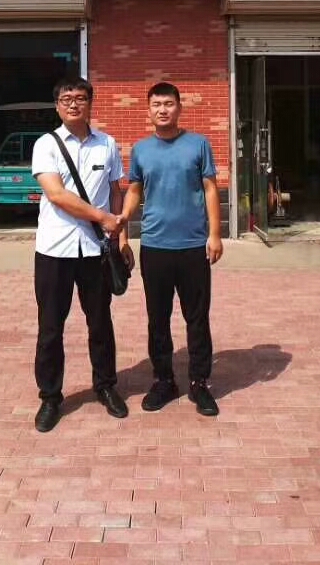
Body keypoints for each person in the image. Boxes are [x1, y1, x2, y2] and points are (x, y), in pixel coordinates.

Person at [30, 76, 135, 433]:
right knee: (50, 326)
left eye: (80, 98)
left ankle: (105, 386)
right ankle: (50, 397)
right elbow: (56, 195)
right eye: (66, 99)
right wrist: (103, 218)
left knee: (100, 322)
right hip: (54, 250)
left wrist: (121, 238)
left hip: (96, 251)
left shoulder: (107, 144)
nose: (73, 104)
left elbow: (116, 192)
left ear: (90, 103)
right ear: (57, 106)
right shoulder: (45, 145)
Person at [121, 81, 223, 417]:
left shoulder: (198, 144)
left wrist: (215, 234)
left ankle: (199, 383)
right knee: (158, 318)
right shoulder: (141, 150)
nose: (162, 110)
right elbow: (134, 191)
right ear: (148, 110)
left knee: (197, 317)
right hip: (155, 246)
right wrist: (122, 227)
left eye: (168, 104)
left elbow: (210, 189)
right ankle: (164, 380)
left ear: (179, 107)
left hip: (193, 245)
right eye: (157, 104)